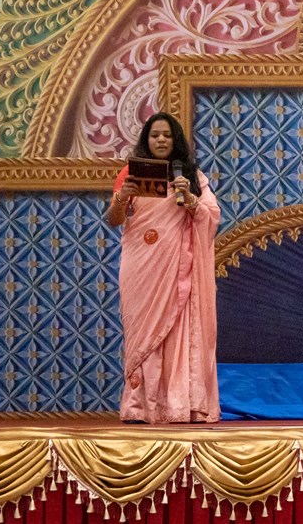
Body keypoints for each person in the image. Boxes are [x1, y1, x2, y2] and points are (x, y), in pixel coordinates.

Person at [107, 112, 221, 423]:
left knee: (177, 333)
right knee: (143, 333)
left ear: (175, 141)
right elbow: (115, 219)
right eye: (155, 135)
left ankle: (177, 405)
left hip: (179, 270)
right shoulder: (130, 173)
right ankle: (141, 406)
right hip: (141, 268)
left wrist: (191, 199)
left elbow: (212, 215)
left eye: (167, 135)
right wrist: (123, 197)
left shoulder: (192, 177)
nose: (161, 140)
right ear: (147, 140)